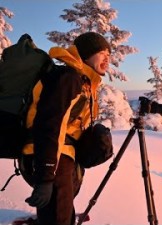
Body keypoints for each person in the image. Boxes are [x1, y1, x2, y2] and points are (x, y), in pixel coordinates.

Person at [23, 32, 111, 225]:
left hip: (61, 156)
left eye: (109, 54)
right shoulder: (69, 79)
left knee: (60, 207)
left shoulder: (84, 82)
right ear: (87, 54)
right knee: (57, 217)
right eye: (102, 52)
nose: (107, 57)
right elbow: (49, 125)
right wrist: (46, 177)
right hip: (50, 156)